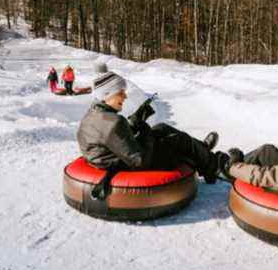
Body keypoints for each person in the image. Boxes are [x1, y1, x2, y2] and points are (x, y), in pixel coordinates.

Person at [77, 71, 222, 185]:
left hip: (111, 157)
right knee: (176, 140)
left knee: (161, 127)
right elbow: (140, 161)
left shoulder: (93, 115)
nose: (125, 96)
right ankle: (214, 166)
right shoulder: (113, 122)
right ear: (106, 95)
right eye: (120, 93)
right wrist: (144, 129)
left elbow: (112, 138)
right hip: (124, 165)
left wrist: (134, 121)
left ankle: (202, 149)